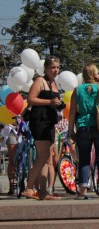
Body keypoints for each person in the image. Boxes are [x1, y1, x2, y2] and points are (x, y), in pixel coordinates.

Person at [68, 63, 99, 199]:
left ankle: (83, 190)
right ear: (96, 74)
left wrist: (71, 130)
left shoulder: (77, 90)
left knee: (84, 159)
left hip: (83, 125)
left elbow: (71, 112)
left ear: (83, 75)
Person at [23, 56, 65, 200]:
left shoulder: (54, 83)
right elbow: (31, 99)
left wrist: (59, 103)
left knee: (48, 159)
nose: (56, 70)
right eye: (53, 67)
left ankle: (43, 192)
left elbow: (53, 101)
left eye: (58, 67)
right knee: (43, 156)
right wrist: (49, 101)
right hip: (39, 121)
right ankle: (28, 188)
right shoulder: (40, 81)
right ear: (46, 68)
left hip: (50, 122)